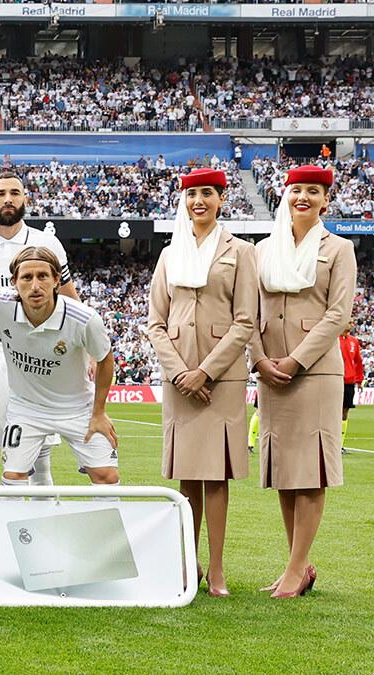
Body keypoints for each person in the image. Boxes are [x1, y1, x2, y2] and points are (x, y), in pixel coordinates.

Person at [146, 168, 258, 597]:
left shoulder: (241, 251)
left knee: (217, 475)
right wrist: (180, 372)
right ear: (183, 201)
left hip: (221, 377)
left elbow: (245, 320)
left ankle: (218, 568)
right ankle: (186, 563)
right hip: (178, 378)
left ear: (221, 199)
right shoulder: (169, 253)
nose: (199, 202)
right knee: (187, 477)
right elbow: (156, 323)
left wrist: (205, 372)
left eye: (207, 194)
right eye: (192, 195)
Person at [250, 165, 355, 598]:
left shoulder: (340, 248)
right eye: (297, 190)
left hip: (314, 373)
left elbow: (339, 314)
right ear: (285, 194)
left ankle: (295, 570)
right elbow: (248, 311)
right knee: (284, 470)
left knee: (309, 471)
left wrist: (295, 360)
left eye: (313, 191)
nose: (304, 197)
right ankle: (298, 565)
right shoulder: (262, 249)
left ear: (325, 201)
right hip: (270, 371)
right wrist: (258, 359)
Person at [0, 171, 80, 488]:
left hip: (37, 357)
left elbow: (71, 302)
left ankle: (38, 526)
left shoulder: (47, 243)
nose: (8, 199)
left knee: (39, 455)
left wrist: (81, 353)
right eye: (1, 193)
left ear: (25, 198)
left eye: (15, 193)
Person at [0, 247, 120, 492]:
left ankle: (107, 531)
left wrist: (99, 412)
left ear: (57, 280)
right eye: (27, 277)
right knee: (13, 477)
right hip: (26, 408)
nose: (35, 285)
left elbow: (105, 358)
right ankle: (14, 529)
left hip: (78, 408)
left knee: (106, 477)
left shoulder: (83, 318)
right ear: (14, 281)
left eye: (43, 276)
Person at [340, 320, 363, 453]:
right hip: (335, 380)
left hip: (349, 382)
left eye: (353, 323)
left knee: (345, 412)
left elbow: (358, 361)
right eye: (349, 322)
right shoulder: (334, 340)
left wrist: (359, 380)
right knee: (334, 412)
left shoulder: (354, 341)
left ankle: (340, 445)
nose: (352, 325)